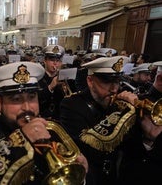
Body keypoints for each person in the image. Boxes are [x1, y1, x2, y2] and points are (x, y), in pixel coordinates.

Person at [0, 62, 88, 184]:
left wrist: (80, 175)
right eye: (16, 99)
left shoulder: (53, 130)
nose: (27, 108)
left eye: (32, 97)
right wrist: (19, 141)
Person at [59, 56, 139, 185]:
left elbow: (130, 146)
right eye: (107, 82)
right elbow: (87, 148)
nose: (114, 89)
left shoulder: (118, 104)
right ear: (90, 81)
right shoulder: (71, 104)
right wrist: (121, 114)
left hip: (114, 175)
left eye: (117, 82)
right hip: (89, 176)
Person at [118, 61, 162, 185]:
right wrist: (148, 141)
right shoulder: (138, 104)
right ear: (160, 79)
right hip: (141, 175)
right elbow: (123, 146)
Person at [38, 45, 76, 120]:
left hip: (61, 118)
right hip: (44, 118)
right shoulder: (38, 77)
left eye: (58, 60)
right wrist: (50, 87)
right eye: (52, 60)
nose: (55, 63)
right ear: (45, 61)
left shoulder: (64, 78)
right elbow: (37, 100)